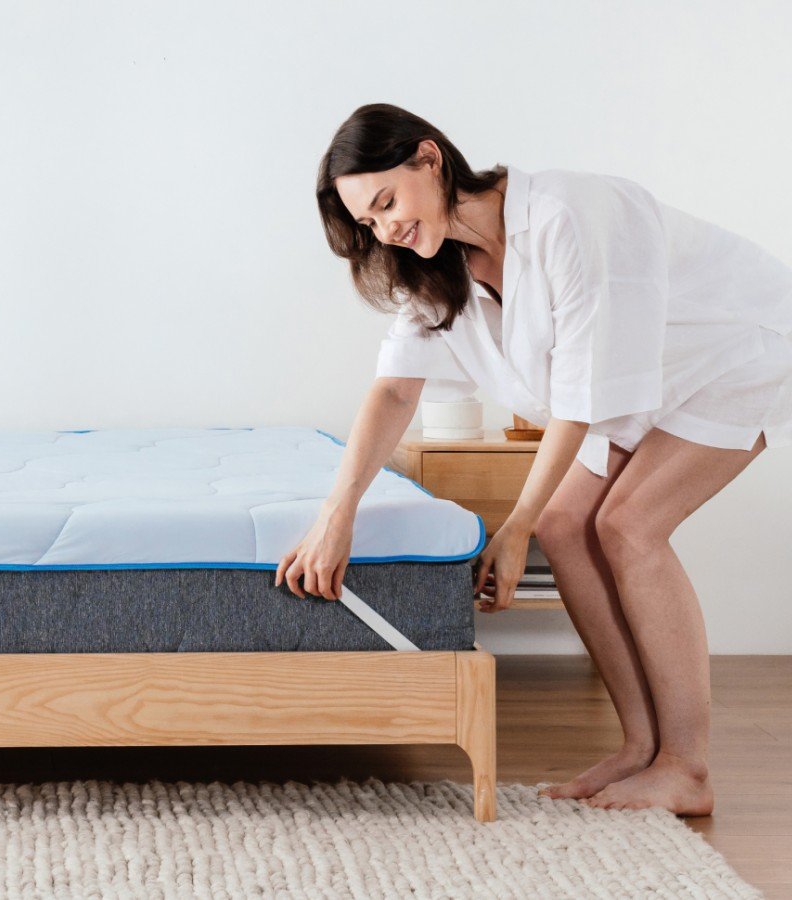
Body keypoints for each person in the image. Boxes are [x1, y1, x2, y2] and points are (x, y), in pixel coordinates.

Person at [279, 103, 792, 816]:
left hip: (734, 346)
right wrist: (337, 515)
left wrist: (514, 524)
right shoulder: (435, 267)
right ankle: (641, 746)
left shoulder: (562, 216)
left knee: (629, 526)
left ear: (430, 158)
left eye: (388, 202)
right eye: (370, 222)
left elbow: (580, 395)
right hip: (643, 375)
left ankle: (687, 767)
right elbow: (395, 390)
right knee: (564, 527)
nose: (386, 230)